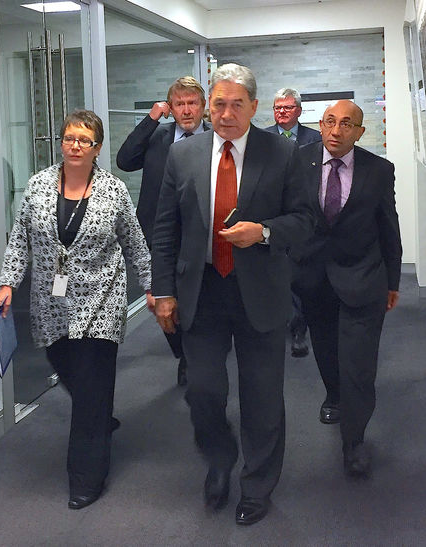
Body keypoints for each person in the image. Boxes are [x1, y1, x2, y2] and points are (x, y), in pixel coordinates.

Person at [151, 64, 313, 525]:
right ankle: (219, 458)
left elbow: (305, 221)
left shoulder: (280, 153)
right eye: (218, 103)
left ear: (254, 107)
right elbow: (165, 229)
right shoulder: (184, 156)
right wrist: (162, 290)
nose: (225, 114)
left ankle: (257, 485)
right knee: (202, 390)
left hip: (260, 292)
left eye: (236, 104)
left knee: (262, 396)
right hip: (201, 292)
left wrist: (263, 231)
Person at [0, 110, 152, 510]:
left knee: (91, 391)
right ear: (60, 142)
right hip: (51, 303)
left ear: (97, 148)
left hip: (101, 299)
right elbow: (20, 239)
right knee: (69, 370)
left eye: (85, 140)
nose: (75, 145)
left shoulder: (113, 191)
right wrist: (8, 283)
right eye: (69, 138)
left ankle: (86, 478)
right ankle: (99, 415)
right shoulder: (39, 185)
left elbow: (134, 243)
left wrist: (153, 287)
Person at [291, 100, 402, 479]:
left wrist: (393, 280)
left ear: (360, 131)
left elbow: (389, 226)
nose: (337, 131)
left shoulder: (378, 170)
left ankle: (354, 440)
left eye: (347, 124)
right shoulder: (297, 162)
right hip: (313, 279)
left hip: (363, 279)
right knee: (326, 351)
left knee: (359, 365)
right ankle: (334, 395)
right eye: (330, 122)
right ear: (320, 125)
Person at [116, 76, 210, 387]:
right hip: (160, 232)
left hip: (201, 234)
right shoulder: (158, 137)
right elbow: (125, 160)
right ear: (171, 107)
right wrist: (151, 117)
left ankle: (197, 356)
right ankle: (183, 354)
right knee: (161, 300)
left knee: (199, 296)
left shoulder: (215, 138)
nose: (186, 110)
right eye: (179, 104)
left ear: (203, 106)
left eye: (192, 103)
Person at [264, 88, 322, 359]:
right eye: (278, 107)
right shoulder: (262, 139)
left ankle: (300, 328)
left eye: (287, 107)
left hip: (304, 216)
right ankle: (285, 323)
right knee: (278, 274)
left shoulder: (315, 139)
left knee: (300, 276)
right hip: (272, 217)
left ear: (298, 111)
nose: (282, 112)